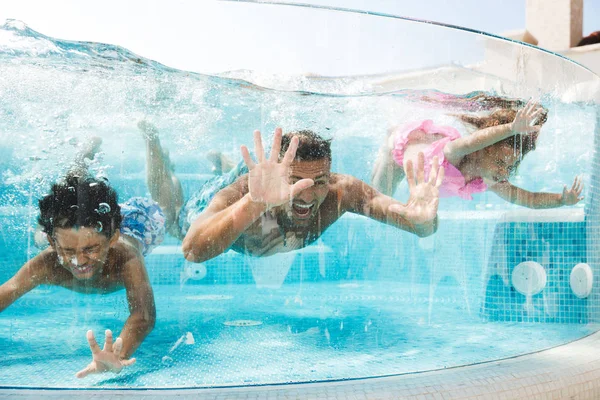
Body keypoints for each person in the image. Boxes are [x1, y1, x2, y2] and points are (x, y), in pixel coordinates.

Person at [137, 121, 444, 263]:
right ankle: (153, 143)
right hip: (231, 192)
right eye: (295, 182)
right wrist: (256, 204)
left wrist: (421, 222)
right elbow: (191, 251)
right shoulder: (247, 192)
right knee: (173, 217)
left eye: (319, 181)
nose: (308, 196)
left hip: (258, 180)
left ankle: (225, 163)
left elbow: (422, 228)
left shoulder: (342, 191)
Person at [0, 139, 166, 378]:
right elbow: (8, 290)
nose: (79, 261)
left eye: (90, 250)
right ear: (54, 244)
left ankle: (154, 143)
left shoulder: (126, 257)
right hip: (87, 225)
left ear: (111, 240)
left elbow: (143, 315)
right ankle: (79, 166)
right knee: (43, 232)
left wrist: (117, 355)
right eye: (67, 251)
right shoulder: (47, 262)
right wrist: (75, 247)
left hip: (139, 222)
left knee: (168, 213)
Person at [371, 99, 584, 208]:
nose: (504, 171)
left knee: (382, 201)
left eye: (509, 167)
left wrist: (560, 200)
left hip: (418, 174)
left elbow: (528, 199)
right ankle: (390, 134)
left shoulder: (488, 180)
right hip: (399, 153)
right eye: (501, 162)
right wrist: (511, 129)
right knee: (377, 196)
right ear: (485, 148)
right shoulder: (455, 153)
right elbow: (474, 140)